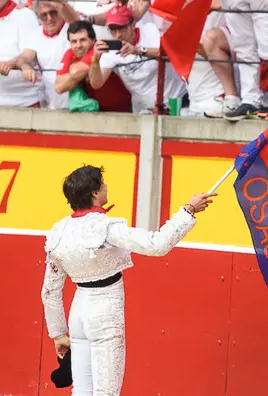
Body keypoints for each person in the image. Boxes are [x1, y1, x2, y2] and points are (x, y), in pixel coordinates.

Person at [41, 165, 215, 395]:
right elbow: (157, 244)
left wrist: (59, 334)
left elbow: (50, 291)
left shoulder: (59, 232)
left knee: (81, 390)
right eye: (102, 184)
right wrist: (188, 210)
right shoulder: (105, 227)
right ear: (94, 192)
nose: (105, 187)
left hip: (78, 313)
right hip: (105, 313)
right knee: (106, 392)